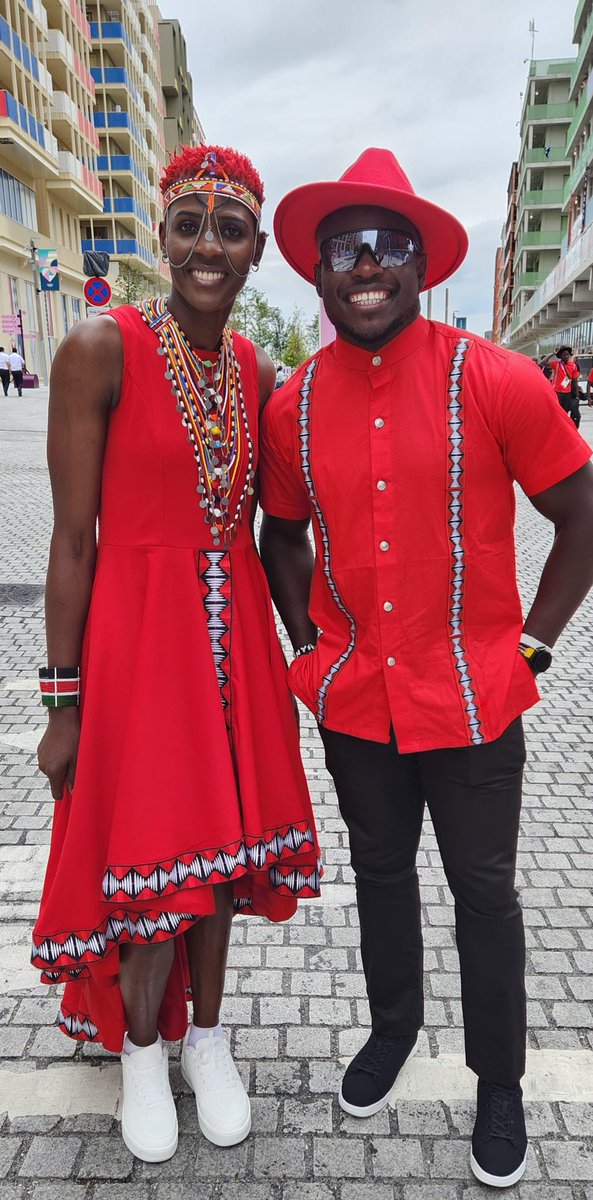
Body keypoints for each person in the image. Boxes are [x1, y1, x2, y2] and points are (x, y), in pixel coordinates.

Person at [258, 148, 593, 1189]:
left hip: (474, 694)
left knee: (484, 893)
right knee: (379, 874)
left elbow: (577, 513)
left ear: (418, 267)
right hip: (356, 699)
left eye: (387, 245)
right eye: (344, 247)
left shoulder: (492, 376)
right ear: (316, 275)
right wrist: (305, 645)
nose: (366, 263)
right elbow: (279, 535)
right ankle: (392, 1029)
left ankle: (499, 1083)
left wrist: (533, 641)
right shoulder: (291, 406)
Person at [33, 143, 321, 1164]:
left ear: (253, 257)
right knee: (155, 867)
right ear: (160, 239)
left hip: (232, 638)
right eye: (189, 224)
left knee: (225, 865)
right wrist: (62, 698)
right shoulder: (96, 349)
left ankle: (207, 1040)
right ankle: (144, 1056)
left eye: (230, 229)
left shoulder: (254, 370)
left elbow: (288, 516)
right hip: (134, 646)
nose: (207, 245)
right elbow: (70, 539)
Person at [541, 345, 581, 427]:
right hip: (556, 392)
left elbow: (575, 381)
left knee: (564, 414)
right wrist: (552, 354)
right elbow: (542, 363)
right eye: (563, 355)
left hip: (567, 394)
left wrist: (576, 395)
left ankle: (561, 428)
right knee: (555, 413)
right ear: (560, 356)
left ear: (569, 355)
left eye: (567, 354)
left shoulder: (573, 366)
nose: (565, 356)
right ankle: (554, 427)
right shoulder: (556, 364)